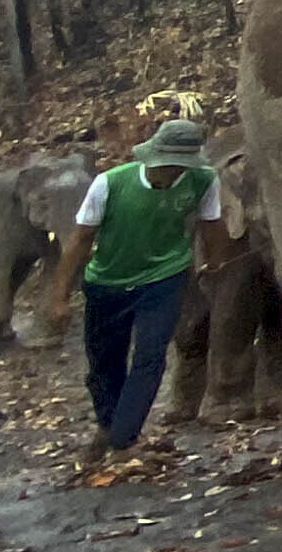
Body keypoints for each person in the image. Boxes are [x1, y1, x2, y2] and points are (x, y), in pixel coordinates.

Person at [57, 115, 234, 472]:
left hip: (164, 277)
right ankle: (108, 427)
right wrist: (58, 295)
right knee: (103, 366)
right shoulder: (110, 184)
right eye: (167, 164)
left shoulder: (203, 180)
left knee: (151, 357)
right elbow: (79, 240)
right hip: (107, 280)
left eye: (179, 166)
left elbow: (211, 224)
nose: (171, 172)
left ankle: (124, 440)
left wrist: (216, 264)